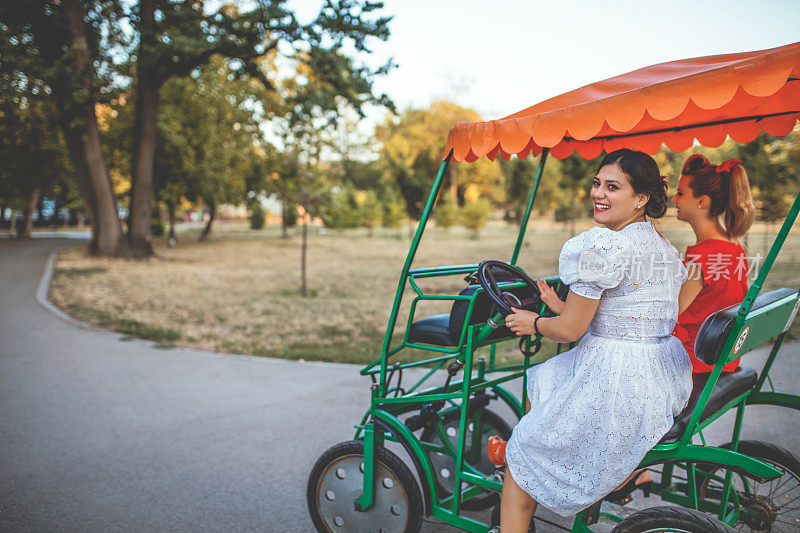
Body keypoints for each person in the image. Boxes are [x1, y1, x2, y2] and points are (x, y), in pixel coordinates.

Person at [496, 149, 692, 532]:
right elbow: (627, 307)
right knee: (550, 376)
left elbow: (570, 331)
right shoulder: (663, 249)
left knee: (521, 459)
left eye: (613, 187)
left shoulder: (604, 246)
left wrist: (533, 322)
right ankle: (574, 465)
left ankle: (524, 479)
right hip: (657, 373)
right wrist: (559, 305)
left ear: (641, 199)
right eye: (597, 183)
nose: (599, 194)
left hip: (617, 378)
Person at [671, 155, 755, 373]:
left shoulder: (702, 258)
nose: (674, 200)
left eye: (680, 193)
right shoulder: (734, 248)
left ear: (702, 201)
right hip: (724, 360)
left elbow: (669, 314)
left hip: (695, 362)